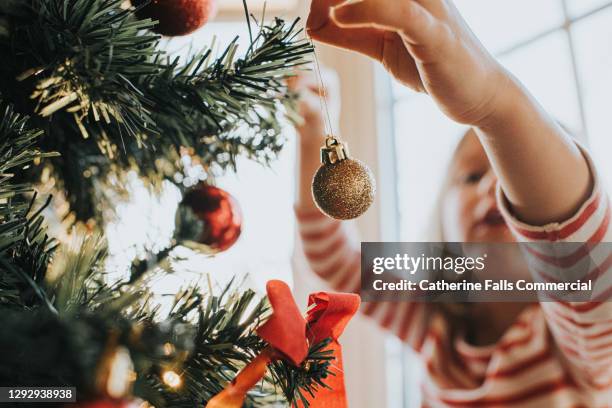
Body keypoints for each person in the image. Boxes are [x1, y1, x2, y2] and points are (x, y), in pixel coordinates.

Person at [292, 0, 612, 406]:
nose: (493, 188)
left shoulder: (583, 344)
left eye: (513, 179)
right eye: (472, 176)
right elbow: (333, 259)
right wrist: (313, 134)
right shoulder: (433, 328)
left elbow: (578, 250)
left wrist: (495, 106)